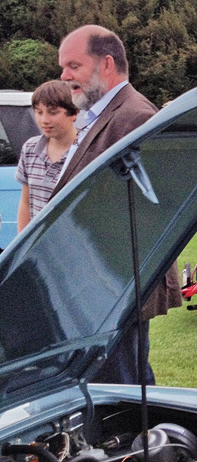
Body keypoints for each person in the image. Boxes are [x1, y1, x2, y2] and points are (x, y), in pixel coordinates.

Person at [57, 24, 182, 384]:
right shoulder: (101, 116)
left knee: (122, 385)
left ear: (106, 64)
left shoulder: (134, 116)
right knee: (118, 378)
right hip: (101, 281)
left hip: (117, 281)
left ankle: (147, 440)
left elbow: (157, 204)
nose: (64, 76)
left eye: (73, 66)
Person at [16, 80, 78, 231]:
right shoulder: (30, 148)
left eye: (53, 112)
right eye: (39, 112)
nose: (44, 120)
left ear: (74, 113)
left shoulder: (86, 151)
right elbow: (25, 202)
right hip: (39, 250)